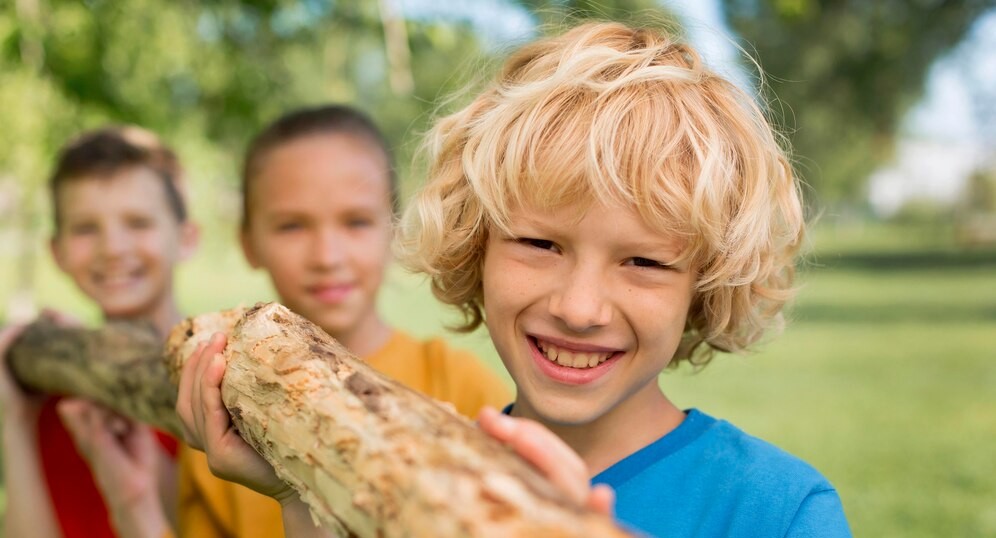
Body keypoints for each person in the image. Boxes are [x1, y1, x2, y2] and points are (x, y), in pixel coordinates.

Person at [177, 22, 852, 538]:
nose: (580, 308)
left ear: (704, 284)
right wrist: (302, 492)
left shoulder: (778, 510)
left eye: (644, 262)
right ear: (476, 245)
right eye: (539, 244)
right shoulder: (419, 474)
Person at [171, 104, 512, 538]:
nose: (327, 257)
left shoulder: (462, 389)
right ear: (249, 242)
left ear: (394, 229)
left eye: (356, 222)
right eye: (292, 226)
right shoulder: (219, 411)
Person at [0, 125, 199, 538]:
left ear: (186, 238)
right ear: (57, 252)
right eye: (85, 229)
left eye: (138, 222)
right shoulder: (57, 400)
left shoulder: (212, 380)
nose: (113, 248)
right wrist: (16, 420)